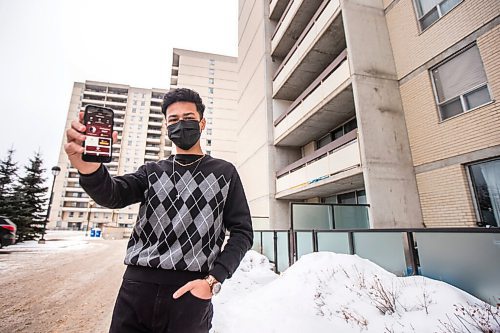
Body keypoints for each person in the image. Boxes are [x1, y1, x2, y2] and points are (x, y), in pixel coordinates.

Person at [64, 88, 253, 333]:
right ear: (166, 127)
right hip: (135, 289)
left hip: (190, 295)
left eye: (188, 118)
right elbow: (113, 194)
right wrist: (88, 168)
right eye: (173, 120)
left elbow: (242, 232)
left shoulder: (225, 172)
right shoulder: (151, 171)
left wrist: (213, 279)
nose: (181, 124)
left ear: (202, 123)